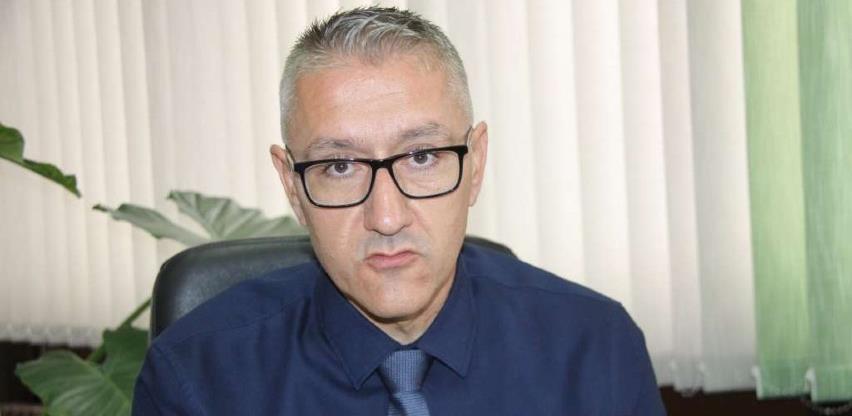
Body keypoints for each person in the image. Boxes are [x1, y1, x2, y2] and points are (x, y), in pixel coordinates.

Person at [133, 6, 666, 415]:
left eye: (421, 157)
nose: (386, 218)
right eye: (339, 166)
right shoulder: (196, 378)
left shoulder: (596, 349)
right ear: (292, 186)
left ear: (476, 163)